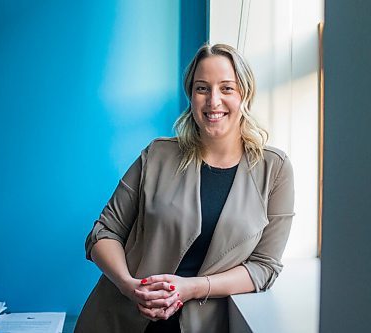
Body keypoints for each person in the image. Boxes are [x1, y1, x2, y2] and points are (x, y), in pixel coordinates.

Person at [75, 43, 295, 333]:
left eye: (226, 88)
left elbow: (264, 266)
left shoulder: (275, 168)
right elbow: (103, 233)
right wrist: (130, 287)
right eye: (202, 88)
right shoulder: (157, 155)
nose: (213, 101)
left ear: (245, 94)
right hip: (122, 318)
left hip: (206, 325)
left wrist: (191, 288)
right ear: (191, 96)